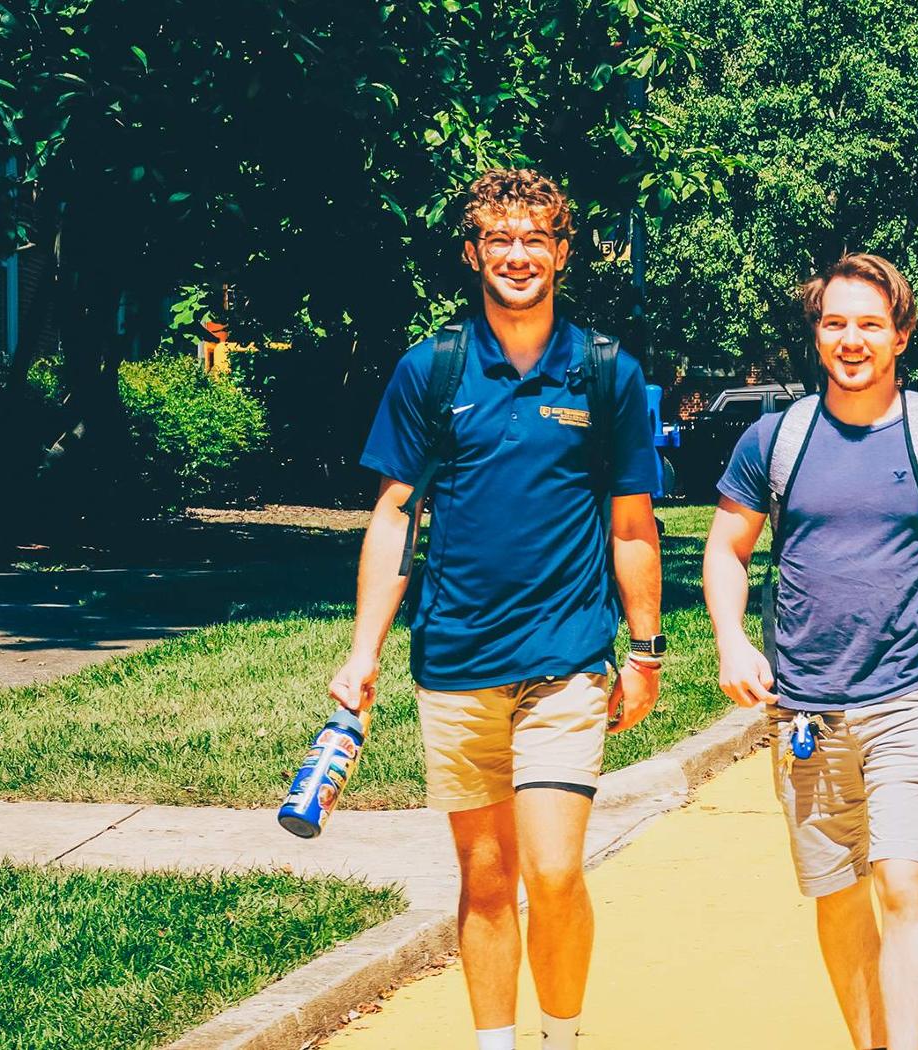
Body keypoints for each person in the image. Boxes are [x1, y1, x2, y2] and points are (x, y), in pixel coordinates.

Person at [330, 169, 663, 1050]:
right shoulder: (432, 370)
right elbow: (396, 515)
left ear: (562, 253)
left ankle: (563, 1034)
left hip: (566, 666)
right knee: (484, 881)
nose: (519, 256)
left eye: (537, 239)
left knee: (552, 871)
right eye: (501, 240)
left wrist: (647, 650)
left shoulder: (605, 373)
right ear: (476, 253)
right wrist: (363, 652)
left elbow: (632, 522)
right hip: (455, 663)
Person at [704, 253, 918, 1050]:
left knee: (905, 883)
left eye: (869, 325)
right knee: (838, 898)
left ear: (901, 335)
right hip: (805, 713)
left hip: (911, 701)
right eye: (835, 324)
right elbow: (725, 550)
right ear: (818, 333)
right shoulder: (773, 441)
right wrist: (730, 640)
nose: (851, 341)